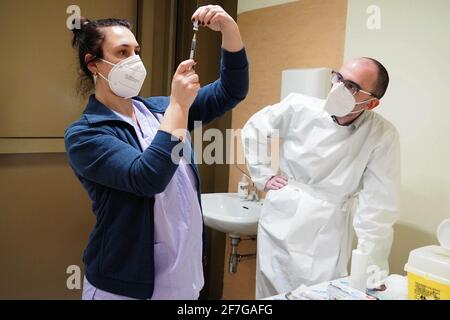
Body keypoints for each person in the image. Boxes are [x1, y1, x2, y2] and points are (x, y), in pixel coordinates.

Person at [64, 5, 248, 300]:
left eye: (136, 51)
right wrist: (179, 106)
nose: (135, 60)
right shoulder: (85, 135)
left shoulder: (158, 109)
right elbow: (148, 177)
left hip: (184, 278)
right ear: (93, 64)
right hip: (124, 287)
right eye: (122, 53)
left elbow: (231, 91)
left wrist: (230, 30)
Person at [241, 58, 400, 299]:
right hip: (280, 216)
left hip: (328, 228)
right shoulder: (299, 107)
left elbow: (378, 209)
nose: (338, 89)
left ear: (372, 103)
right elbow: (256, 127)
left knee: (319, 293)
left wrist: (372, 273)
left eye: (352, 86)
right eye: (338, 78)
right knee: (270, 294)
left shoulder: (381, 135)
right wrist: (264, 175)